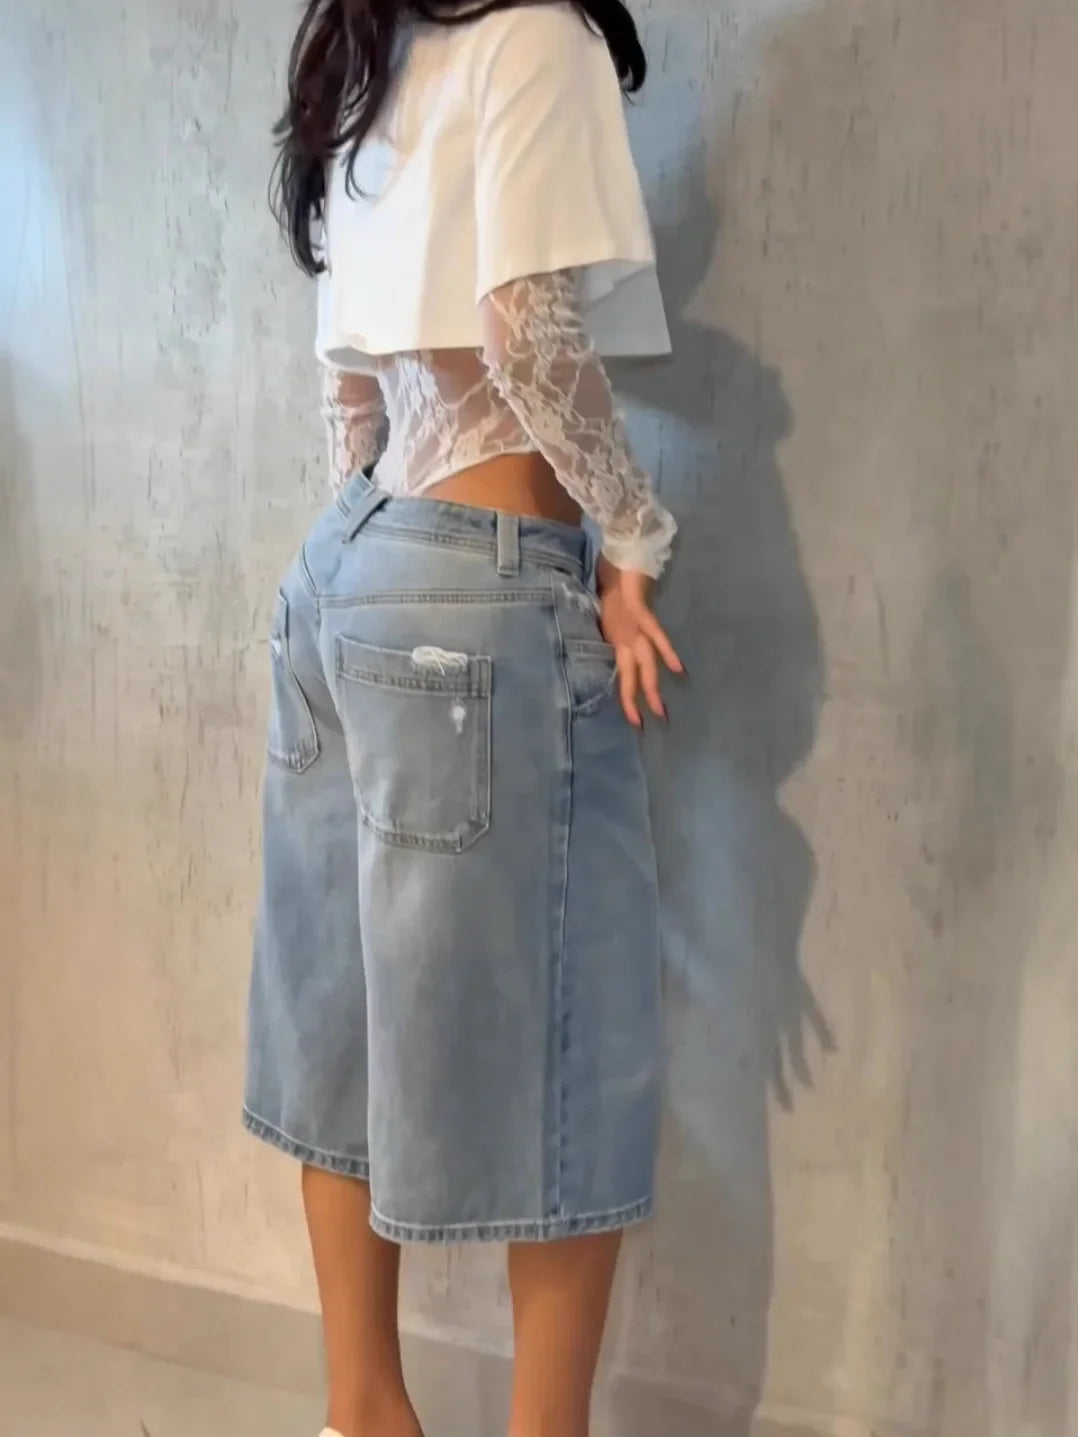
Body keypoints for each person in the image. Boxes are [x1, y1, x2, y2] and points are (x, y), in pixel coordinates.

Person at [243, 2, 681, 1434]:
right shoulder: (534, 35)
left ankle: (361, 1413)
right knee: (571, 1040)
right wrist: (634, 536)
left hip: (340, 569)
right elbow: (525, 328)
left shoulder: (367, 51)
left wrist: (374, 571)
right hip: (481, 587)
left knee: (339, 1018)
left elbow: (347, 376)